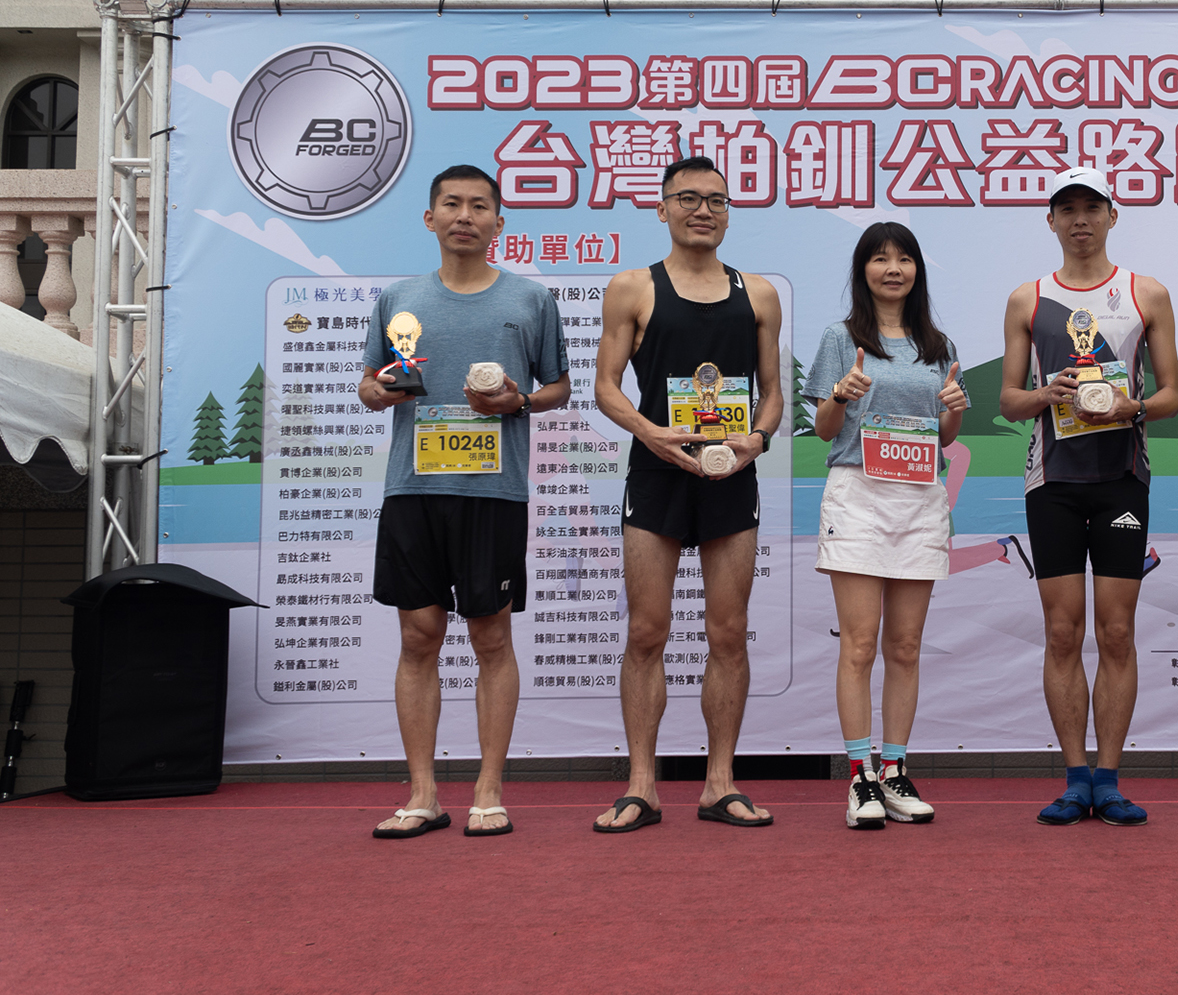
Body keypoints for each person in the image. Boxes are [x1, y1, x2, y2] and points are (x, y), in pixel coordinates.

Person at [360, 165, 571, 840]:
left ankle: (488, 789)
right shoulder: (399, 300)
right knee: (418, 636)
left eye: (480, 206)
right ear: (430, 218)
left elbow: (558, 388)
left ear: (498, 223)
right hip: (412, 488)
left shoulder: (531, 299)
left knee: (491, 637)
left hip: (494, 492)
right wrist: (380, 391)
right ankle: (422, 793)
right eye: (451, 204)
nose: (465, 216)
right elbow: (369, 384)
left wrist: (518, 401)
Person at [591, 156, 785, 832]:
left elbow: (771, 392)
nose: (704, 210)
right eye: (689, 198)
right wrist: (651, 433)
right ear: (663, 208)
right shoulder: (632, 287)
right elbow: (606, 385)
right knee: (647, 631)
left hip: (733, 474)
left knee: (728, 633)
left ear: (729, 213)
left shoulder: (759, 294)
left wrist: (757, 439)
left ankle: (719, 783)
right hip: (656, 474)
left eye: (717, 201)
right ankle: (641, 786)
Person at [999, 166, 1178, 826]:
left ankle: (1109, 777)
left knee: (1117, 631)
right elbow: (1010, 400)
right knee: (1061, 631)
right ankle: (1075, 778)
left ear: (1112, 215)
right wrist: (1045, 395)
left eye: (1092, 207)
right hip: (1052, 481)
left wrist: (1132, 407)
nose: (1080, 220)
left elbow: (1171, 395)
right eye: (1067, 209)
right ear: (1050, 220)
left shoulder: (1145, 293)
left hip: (1121, 478)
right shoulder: (1027, 298)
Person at [803, 222, 969, 829]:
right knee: (860, 644)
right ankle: (859, 776)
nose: (892, 268)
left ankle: (895, 770)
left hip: (920, 499)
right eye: (879, 258)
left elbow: (944, 436)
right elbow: (823, 430)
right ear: (863, 270)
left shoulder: (939, 344)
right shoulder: (841, 337)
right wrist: (840, 395)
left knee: (905, 646)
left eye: (903, 258)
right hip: (858, 496)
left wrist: (953, 411)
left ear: (917, 270)